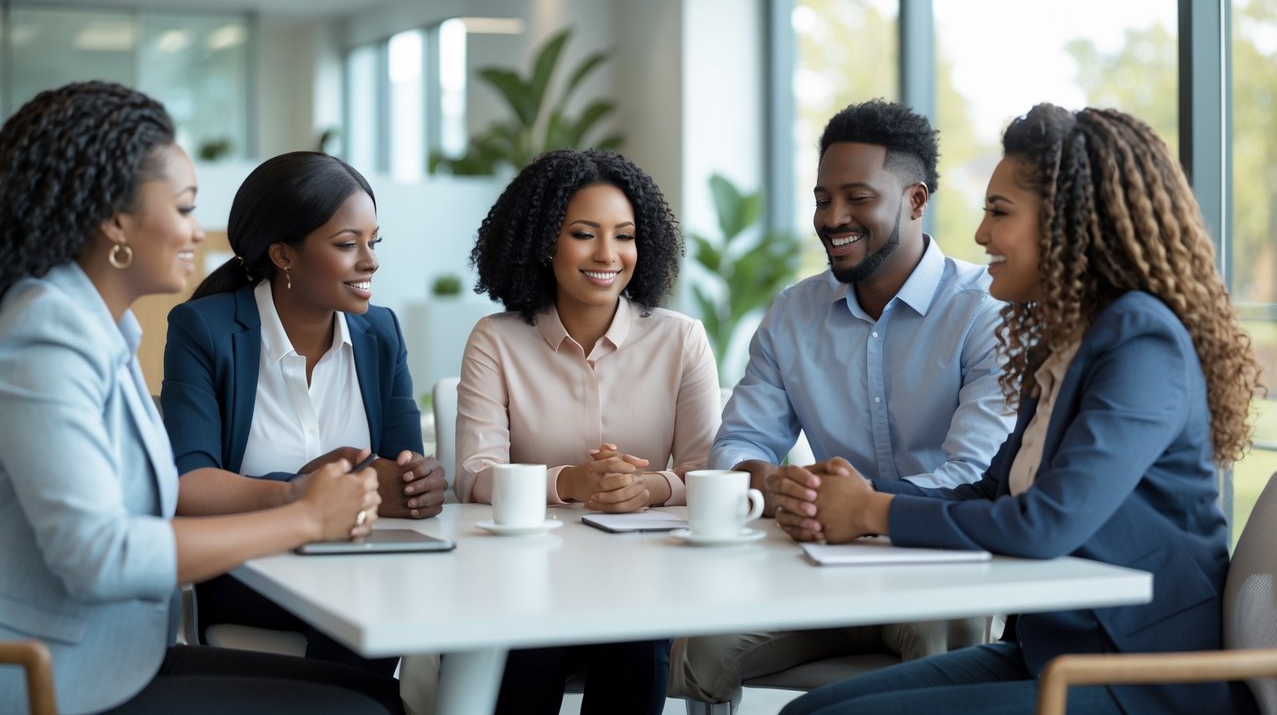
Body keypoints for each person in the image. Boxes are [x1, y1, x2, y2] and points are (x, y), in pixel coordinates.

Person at [776, 104, 1263, 715]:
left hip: (1142, 675)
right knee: (804, 713)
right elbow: (990, 494)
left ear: (1069, 224)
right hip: (1055, 651)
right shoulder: (1065, 341)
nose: (980, 235)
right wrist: (853, 496)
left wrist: (873, 510)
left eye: (999, 213)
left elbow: (1044, 524)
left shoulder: (1142, 340)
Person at [0, 81, 399, 715]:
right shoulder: (44, 339)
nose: (196, 232)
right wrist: (301, 518)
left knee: (375, 692)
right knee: (362, 709)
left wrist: (299, 493)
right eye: (184, 208)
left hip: (113, 657)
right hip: (41, 678)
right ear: (114, 220)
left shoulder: (100, 329)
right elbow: (99, 556)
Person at [670, 99, 1014, 707]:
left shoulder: (984, 314)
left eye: (857, 198)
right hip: (818, 570)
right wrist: (769, 483)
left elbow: (975, 478)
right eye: (822, 199)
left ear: (914, 200)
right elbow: (738, 444)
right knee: (703, 644)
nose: (834, 217)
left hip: (935, 569)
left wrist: (860, 508)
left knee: (949, 639)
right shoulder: (792, 314)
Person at [160, 151, 445, 680]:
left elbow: (401, 471)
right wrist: (302, 487)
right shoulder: (204, 329)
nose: (371, 261)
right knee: (364, 618)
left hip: (366, 564)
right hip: (251, 567)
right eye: (346, 245)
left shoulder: (381, 333)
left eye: (373, 242)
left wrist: (419, 482)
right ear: (284, 255)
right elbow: (187, 484)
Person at [457, 149, 721, 714]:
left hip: (641, 578)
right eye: (583, 234)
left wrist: (647, 488)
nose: (608, 254)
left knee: (637, 642)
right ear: (544, 241)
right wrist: (571, 482)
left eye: (624, 235)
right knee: (525, 650)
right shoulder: (495, 340)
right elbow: (474, 478)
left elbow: (708, 473)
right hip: (525, 581)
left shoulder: (682, 339)